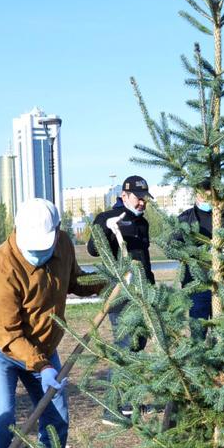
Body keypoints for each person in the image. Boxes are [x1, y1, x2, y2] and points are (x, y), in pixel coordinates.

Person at [0, 199, 104, 448]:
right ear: (18, 232)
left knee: (56, 417)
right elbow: (10, 334)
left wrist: (110, 280)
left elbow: (75, 281)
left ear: (57, 231)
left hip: (44, 346)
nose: (39, 254)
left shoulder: (61, 245)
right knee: (2, 418)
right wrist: (43, 367)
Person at [88, 176, 154, 422]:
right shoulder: (107, 217)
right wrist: (108, 227)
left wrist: (151, 287)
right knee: (125, 346)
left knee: (137, 345)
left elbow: (144, 259)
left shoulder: (142, 223)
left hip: (142, 292)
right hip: (120, 292)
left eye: (145, 199)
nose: (142, 203)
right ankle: (113, 408)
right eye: (139, 198)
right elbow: (94, 249)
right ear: (124, 195)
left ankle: (128, 402)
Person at [177, 190, 224, 338]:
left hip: (223, 284)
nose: (206, 198)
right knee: (198, 331)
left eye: (210, 195)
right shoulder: (186, 219)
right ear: (196, 195)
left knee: (223, 332)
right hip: (196, 284)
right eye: (203, 194)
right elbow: (173, 246)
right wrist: (201, 251)